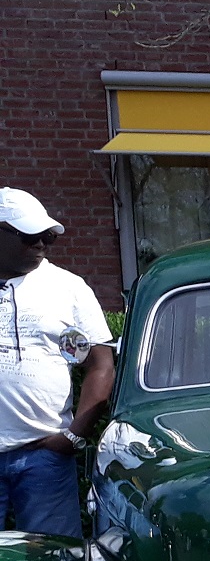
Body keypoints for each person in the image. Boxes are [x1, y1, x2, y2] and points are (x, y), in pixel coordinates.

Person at [0, 190, 114, 537]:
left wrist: (74, 436)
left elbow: (101, 365)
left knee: (54, 559)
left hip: (44, 457)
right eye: (28, 236)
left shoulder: (68, 288)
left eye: (46, 236)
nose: (40, 244)